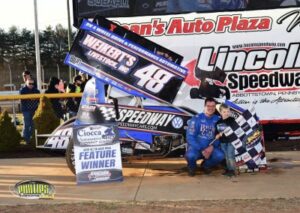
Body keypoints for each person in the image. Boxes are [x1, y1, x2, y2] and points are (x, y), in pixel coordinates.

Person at [185, 97, 224, 176]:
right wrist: (202, 149)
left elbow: (221, 136)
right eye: (208, 106)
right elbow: (190, 137)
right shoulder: (196, 119)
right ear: (204, 106)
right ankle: (192, 167)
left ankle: (206, 165)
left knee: (220, 156)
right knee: (190, 155)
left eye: (213, 106)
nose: (210, 108)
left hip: (211, 149)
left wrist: (212, 146)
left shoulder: (219, 120)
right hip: (197, 149)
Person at [215, 103, 236, 177]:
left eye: (228, 111)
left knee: (230, 155)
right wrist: (217, 135)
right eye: (224, 112)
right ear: (220, 112)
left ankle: (232, 171)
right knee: (226, 156)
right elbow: (216, 132)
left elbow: (233, 130)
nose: (226, 113)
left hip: (231, 141)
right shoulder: (218, 122)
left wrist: (223, 133)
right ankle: (228, 169)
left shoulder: (232, 120)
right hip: (223, 142)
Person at [20, 79, 40, 145]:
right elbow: (23, 99)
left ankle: (32, 139)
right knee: (27, 125)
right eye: (29, 83)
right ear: (26, 83)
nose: (31, 85)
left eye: (32, 84)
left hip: (34, 110)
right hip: (26, 110)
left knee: (33, 125)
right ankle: (26, 140)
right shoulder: (23, 90)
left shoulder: (36, 90)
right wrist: (32, 98)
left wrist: (31, 98)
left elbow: (38, 99)